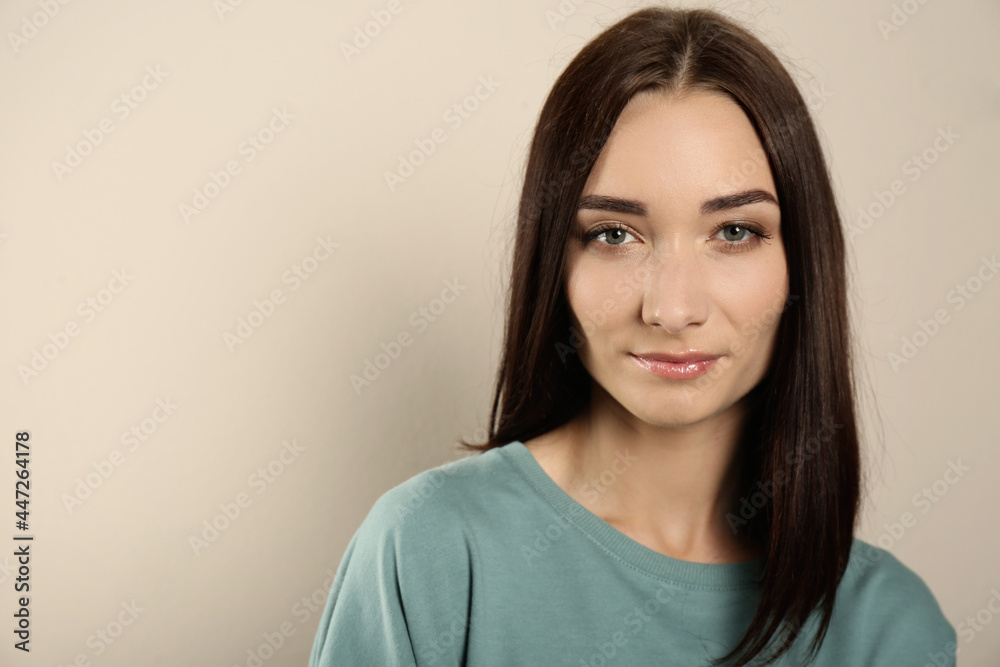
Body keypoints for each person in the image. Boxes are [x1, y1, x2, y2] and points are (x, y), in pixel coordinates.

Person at [309, 6, 956, 666]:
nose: (672, 309)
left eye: (734, 232)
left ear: (801, 263)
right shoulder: (430, 554)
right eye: (614, 235)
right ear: (552, 263)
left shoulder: (891, 626)